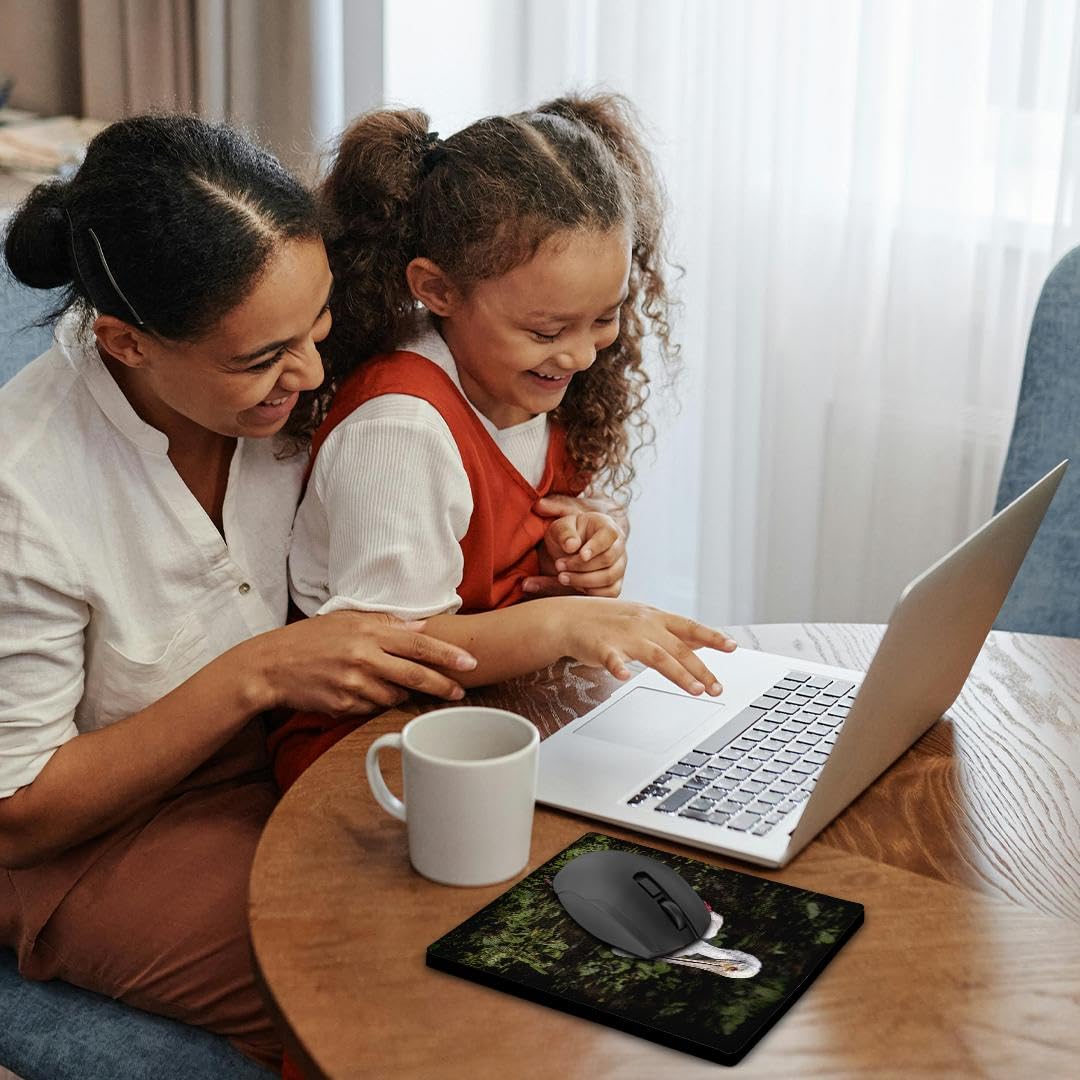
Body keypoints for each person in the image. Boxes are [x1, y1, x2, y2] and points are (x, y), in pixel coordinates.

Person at [0, 114, 478, 1070]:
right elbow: (19, 810)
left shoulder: (294, 385)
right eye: (261, 358)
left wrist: (583, 522)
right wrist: (257, 674)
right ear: (126, 344)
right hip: (94, 840)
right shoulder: (28, 490)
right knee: (387, 995)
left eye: (320, 327)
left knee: (503, 921)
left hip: (291, 762)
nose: (307, 374)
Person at [269, 93, 738, 793]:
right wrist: (565, 625)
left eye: (604, 319)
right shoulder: (399, 430)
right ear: (437, 289)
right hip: (368, 750)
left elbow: (529, 516)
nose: (581, 357)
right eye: (549, 331)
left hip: (497, 717)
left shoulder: (524, 383)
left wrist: (590, 539)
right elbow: (399, 649)